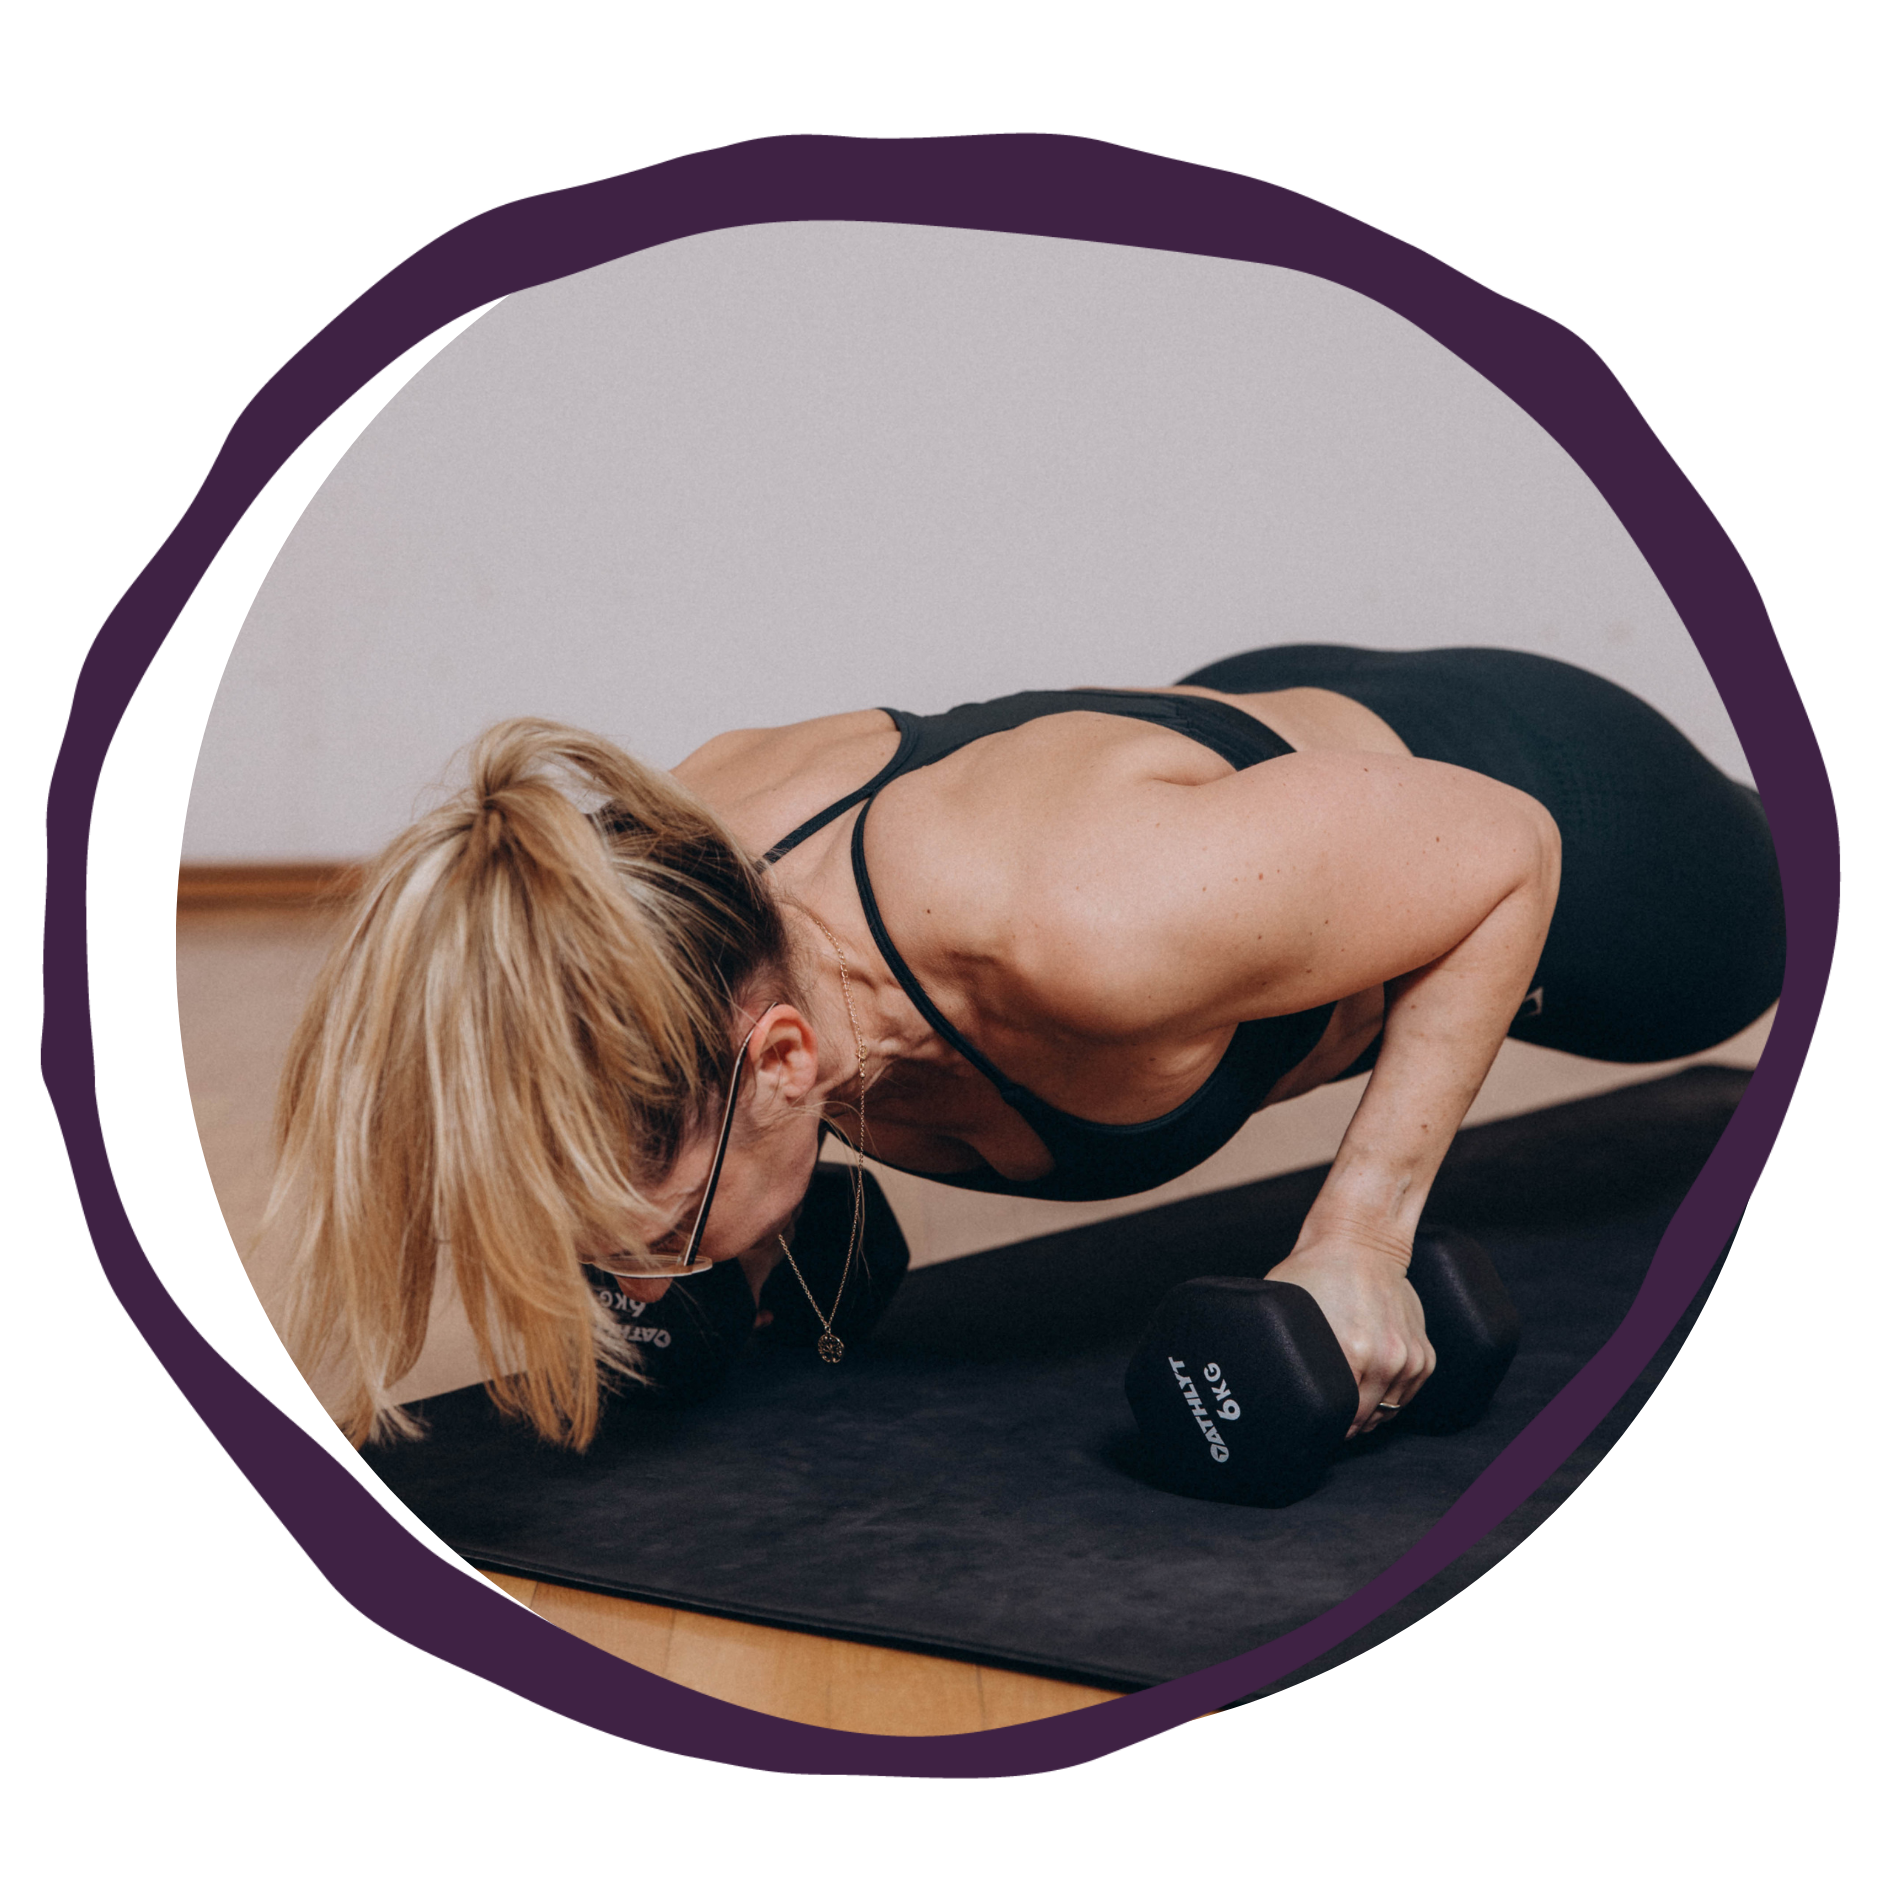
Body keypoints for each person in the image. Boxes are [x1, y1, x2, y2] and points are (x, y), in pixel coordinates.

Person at [268, 645, 1784, 1454]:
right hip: (1262, 782)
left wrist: (1360, 1237)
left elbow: (1507, 850)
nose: (638, 1295)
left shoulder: (1090, 929)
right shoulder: (649, 894)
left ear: (785, 1063)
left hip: (1570, 810)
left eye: (656, 1245)